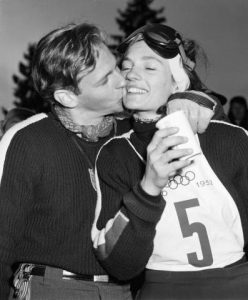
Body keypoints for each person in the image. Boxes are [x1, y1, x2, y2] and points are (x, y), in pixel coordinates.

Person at [0, 22, 215, 299]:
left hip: (124, 290)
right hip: (51, 287)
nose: (123, 79)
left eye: (117, 66)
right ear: (67, 96)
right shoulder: (27, 139)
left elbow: (211, 129)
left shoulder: (131, 132)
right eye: (105, 79)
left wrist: (193, 100)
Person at [92, 23, 248, 299]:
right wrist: (148, 188)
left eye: (150, 67)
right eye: (125, 66)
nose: (131, 75)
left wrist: (204, 103)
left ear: (178, 81)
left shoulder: (229, 138)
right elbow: (120, 265)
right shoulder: (115, 153)